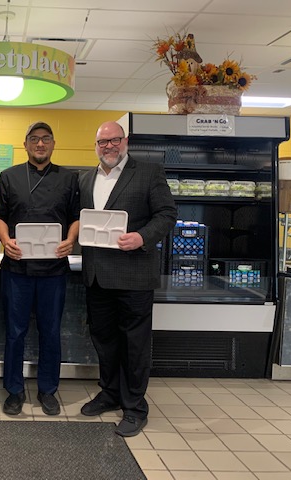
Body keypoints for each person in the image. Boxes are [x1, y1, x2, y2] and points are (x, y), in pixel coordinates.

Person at [78, 121, 177, 437]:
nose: (108, 146)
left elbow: (167, 215)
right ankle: (109, 394)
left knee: (135, 345)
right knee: (104, 341)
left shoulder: (149, 172)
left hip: (133, 275)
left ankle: (135, 408)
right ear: (96, 145)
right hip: (97, 276)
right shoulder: (85, 178)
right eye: (102, 141)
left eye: (114, 140)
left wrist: (142, 237)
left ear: (126, 141)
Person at [0, 121, 80, 416]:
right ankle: (14, 391)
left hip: (54, 269)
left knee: (51, 331)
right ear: (26, 144)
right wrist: (5, 240)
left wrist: (70, 239)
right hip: (17, 268)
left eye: (45, 139)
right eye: (34, 139)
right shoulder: (8, 176)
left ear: (53, 144)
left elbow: (76, 217)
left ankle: (47, 389)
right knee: (15, 332)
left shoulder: (69, 178)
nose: (40, 144)